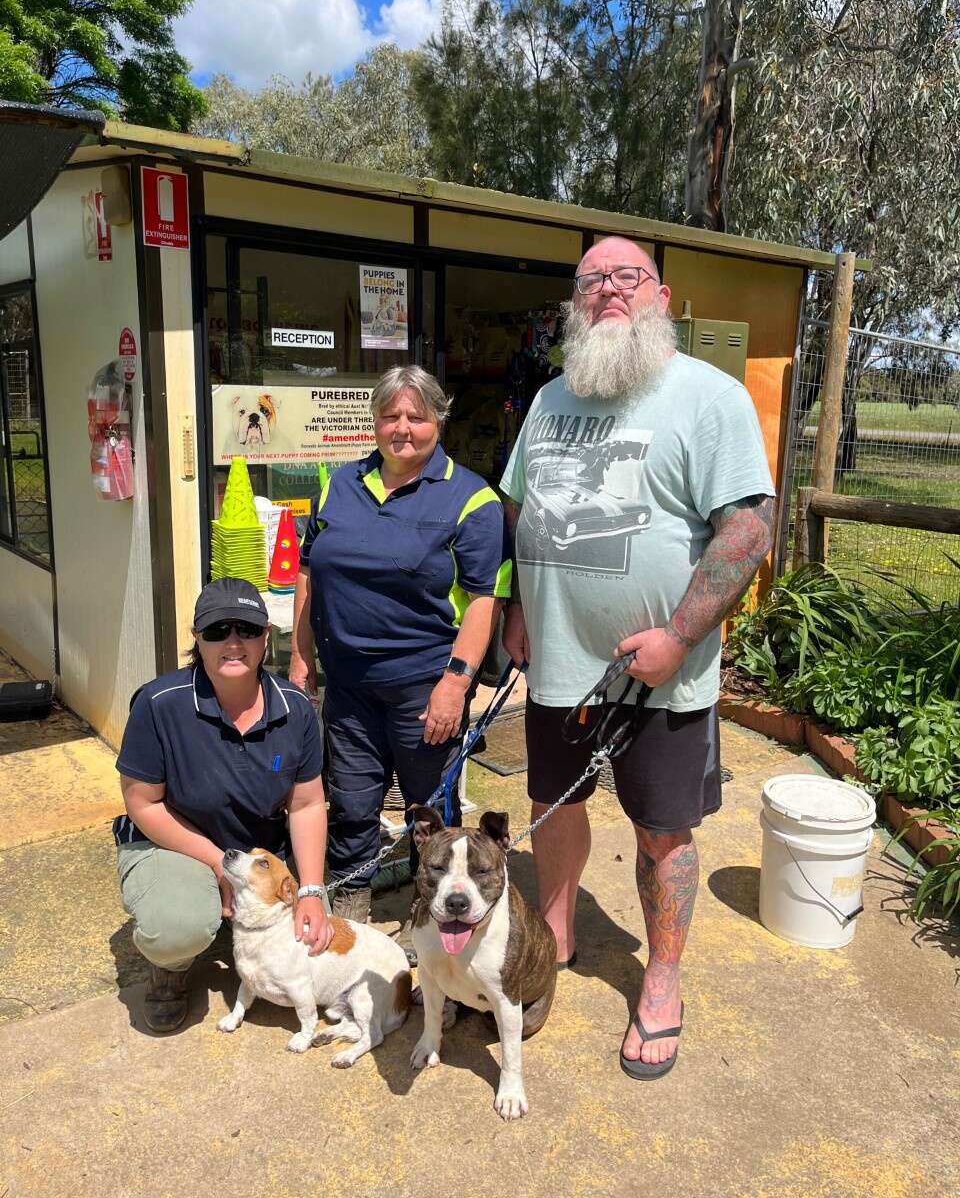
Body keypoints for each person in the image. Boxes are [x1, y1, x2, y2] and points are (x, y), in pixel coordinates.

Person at [500, 236, 774, 1080]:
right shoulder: (549, 400)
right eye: (592, 281)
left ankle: (662, 979)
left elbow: (748, 529)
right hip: (557, 664)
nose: (609, 291)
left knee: (662, 831)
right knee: (552, 803)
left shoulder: (708, 396)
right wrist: (516, 607)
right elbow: (520, 510)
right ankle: (555, 927)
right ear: (575, 305)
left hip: (661, 675)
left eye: (627, 277)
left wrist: (680, 636)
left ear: (662, 295)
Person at [289, 364, 511, 936]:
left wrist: (456, 684)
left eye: (416, 415)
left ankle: (434, 921)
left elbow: (485, 600)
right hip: (348, 684)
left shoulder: (472, 498)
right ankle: (352, 915)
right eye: (390, 415)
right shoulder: (338, 483)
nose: (402, 428)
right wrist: (300, 656)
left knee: (430, 813)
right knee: (353, 804)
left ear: (439, 419)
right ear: (375, 420)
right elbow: (309, 575)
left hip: (424, 686)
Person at [113, 578, 331, 1033]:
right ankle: (171, 967)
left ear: (266, 636)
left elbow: (308, 805)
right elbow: (142, 803)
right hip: (171, 841)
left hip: (252, 854)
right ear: (197, 637)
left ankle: (236, 913)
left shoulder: (296, 710)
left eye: (246, 629)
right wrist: (217, 863)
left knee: (312, 936)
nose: (233, 643)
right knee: (179, 926)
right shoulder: (158, 704)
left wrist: (311, 891)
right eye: (217, 631)